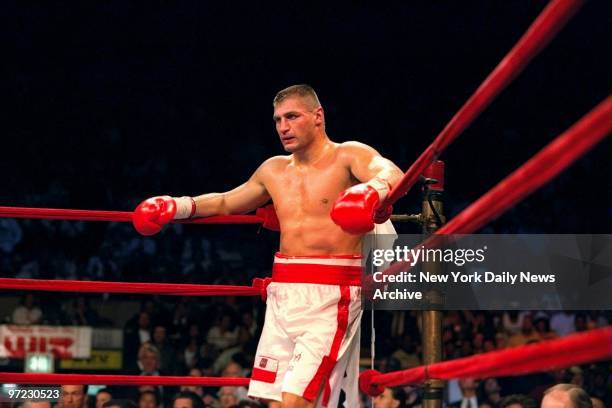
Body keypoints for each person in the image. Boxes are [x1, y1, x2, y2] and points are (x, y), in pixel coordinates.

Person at [132, 84, 403, 407]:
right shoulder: (273, 169)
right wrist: (177, 206)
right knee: (273, 402)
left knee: (296, 402)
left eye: (292, 116)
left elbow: (391, 172)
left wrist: (371, 190)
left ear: (318, 117)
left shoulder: (347, 155)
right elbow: (225, 202)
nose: (283, 127)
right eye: (277, 120)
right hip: (282, 294)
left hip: (331, 294)